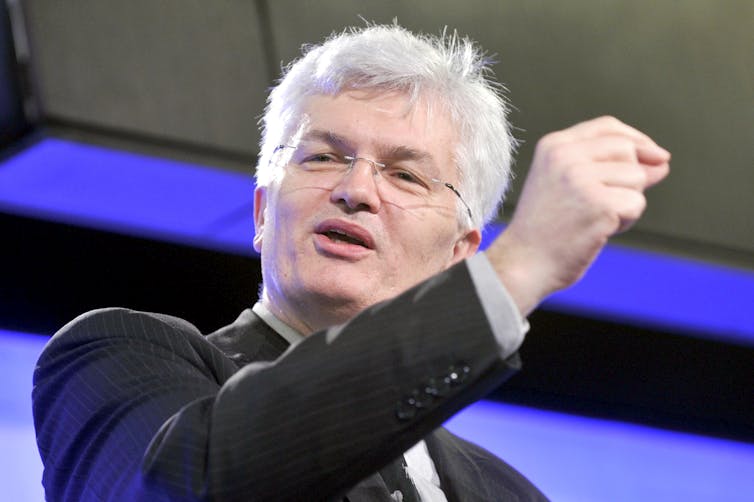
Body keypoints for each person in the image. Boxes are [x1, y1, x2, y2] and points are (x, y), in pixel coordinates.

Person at [32, 24, 670, 501]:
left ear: (457, 254)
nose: (356, 189)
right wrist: (519, 268)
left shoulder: (510, 493)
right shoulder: (114, 358)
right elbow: (191, 486)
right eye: (321, 157)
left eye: (405, 174)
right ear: (261, 213)